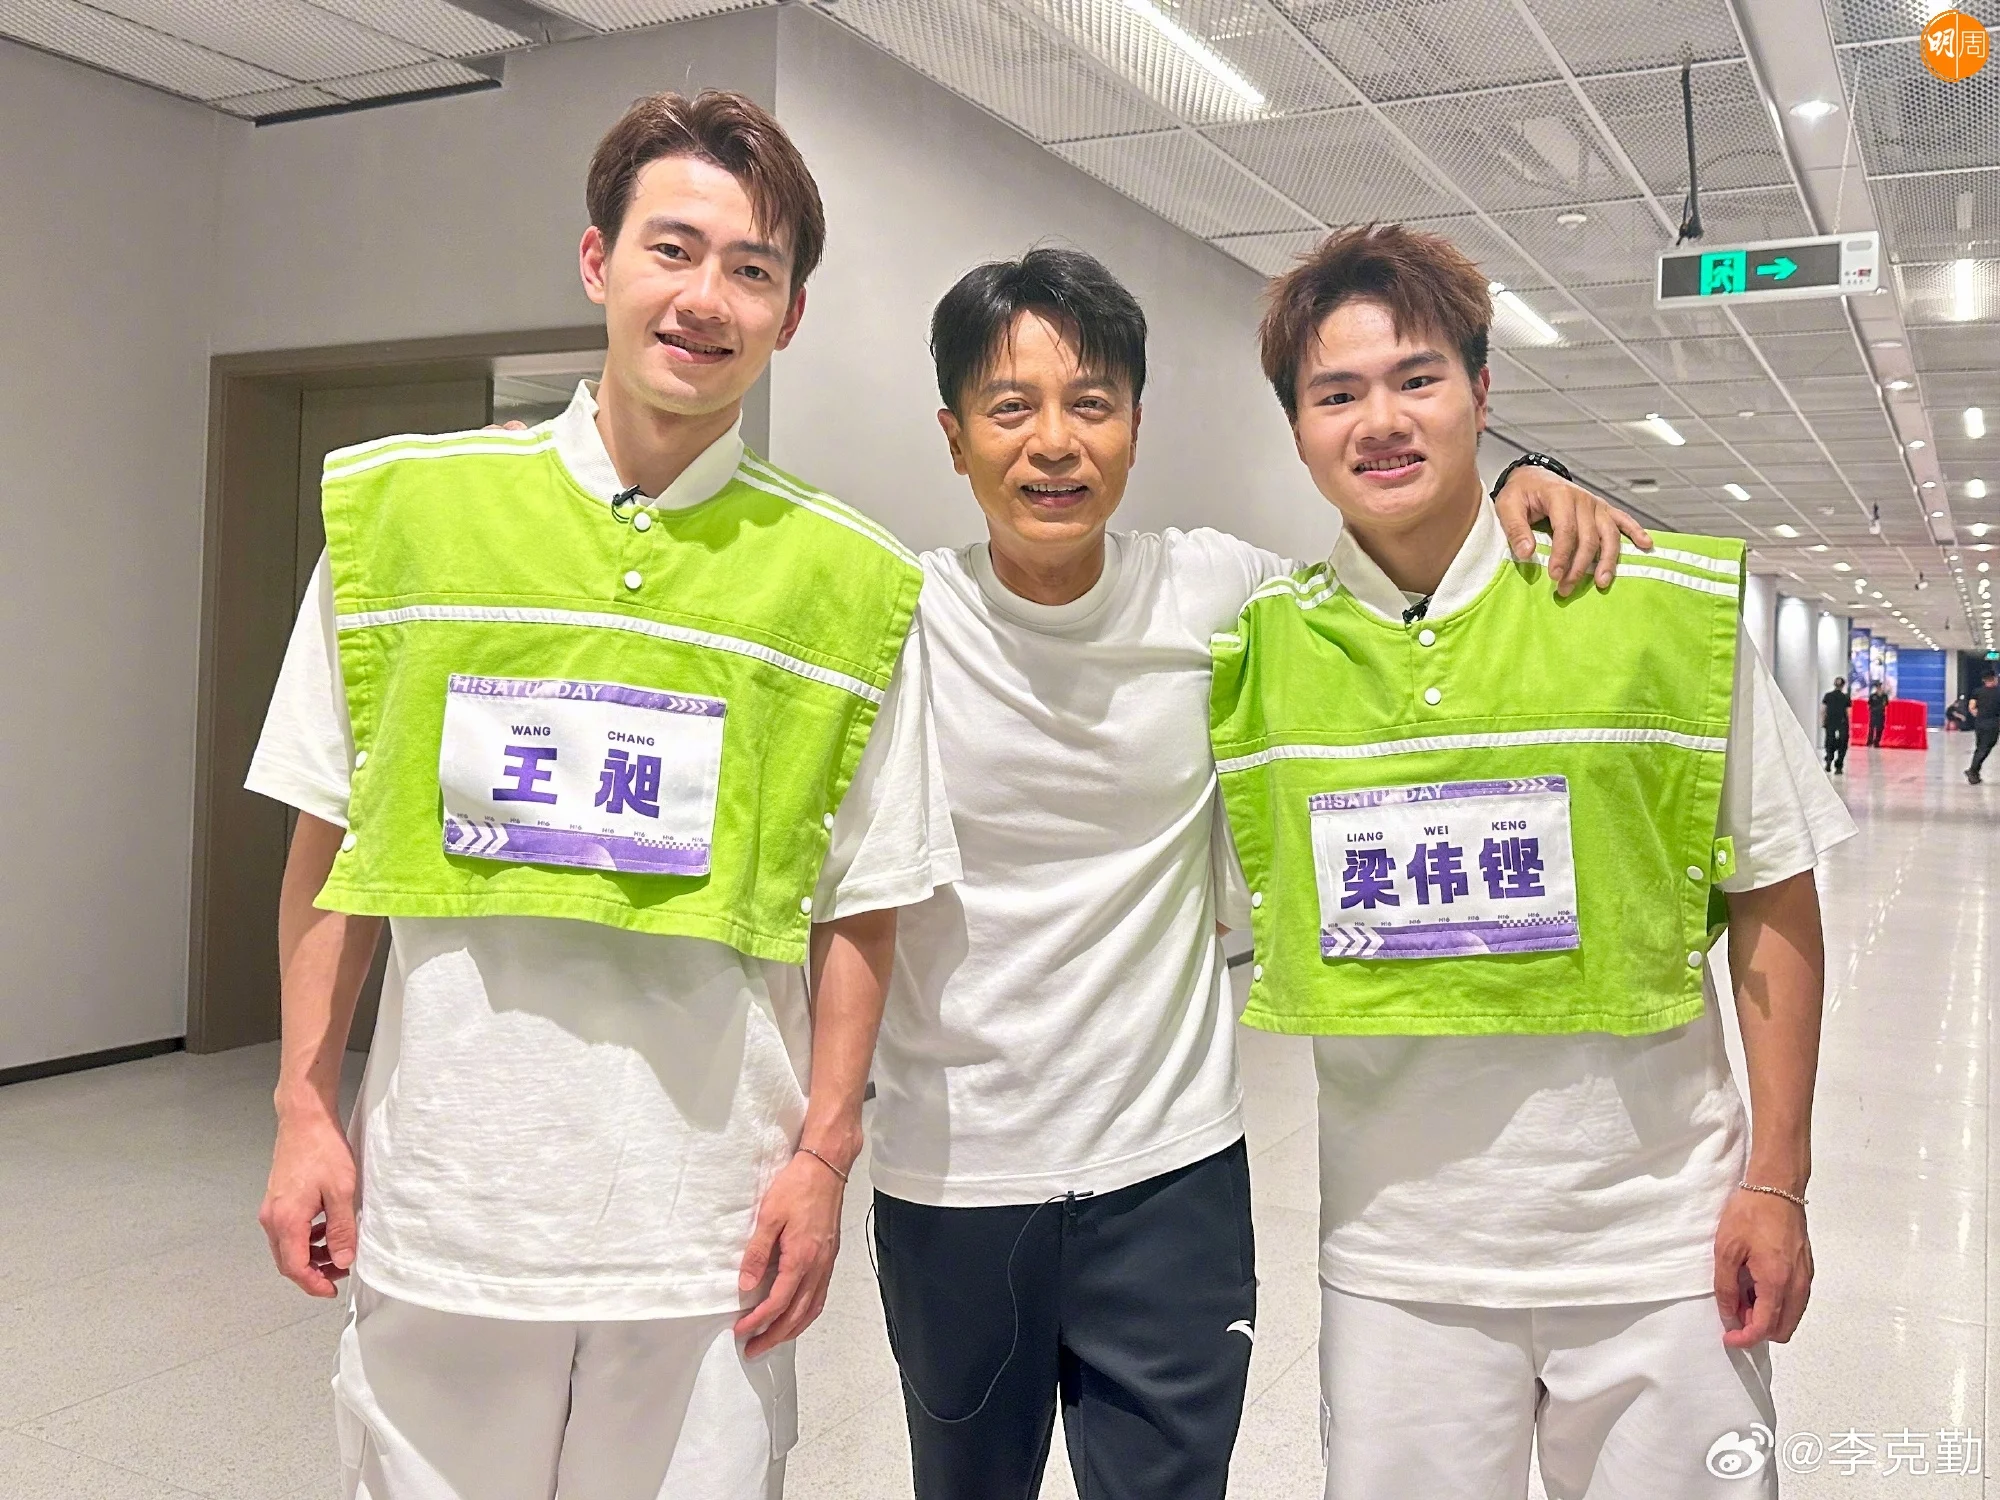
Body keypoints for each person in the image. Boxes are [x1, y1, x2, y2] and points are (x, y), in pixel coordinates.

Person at [248, 92, 959, 1500]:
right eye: (671, 249)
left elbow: (863, 901)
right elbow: (330, 838)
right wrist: (303, 1108)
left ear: (790, 315)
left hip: (707, 1227)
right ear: (598, 262)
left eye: (750, 269)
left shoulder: (850, 583)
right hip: (450, 1201)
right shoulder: (407, 519)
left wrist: (824, 1158)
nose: (705, 298)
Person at [866, 247, 1646, 1500]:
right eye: (1010, 408)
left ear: (1134, 427)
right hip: (951, 1173)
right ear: (955, 439)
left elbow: (1398, 590)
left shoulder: (1218, 596)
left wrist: (1520, 481)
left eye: (1090, 403)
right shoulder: (899, 617)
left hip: (1169, 1173)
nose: (1053, 443)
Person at [1209, 224, 1855, 1500]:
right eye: (1336, 394)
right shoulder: (1257, 648)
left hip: (1659, 1245)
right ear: (1294, 427)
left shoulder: (1653, 611)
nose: (1380, 421)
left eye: (1417, 379)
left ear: (1480, 391)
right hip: (1399, 1260)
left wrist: (1776, 1183)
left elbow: (1773, 893)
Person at [1967, 667, 2000, 784]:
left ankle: (1974, 772)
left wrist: (1980, 715)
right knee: (1985, 748)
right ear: (1995, 678)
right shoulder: (1998, 692)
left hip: (1980, 723)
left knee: (1980, 747)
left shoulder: (1977, 691)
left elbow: (1971, 707)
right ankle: (1972, 771)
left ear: (1983, 680)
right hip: (1993, 723)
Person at [1821, 676, 1851, 773]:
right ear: (1843, 685)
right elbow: (1849, 712)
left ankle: (1829, 760)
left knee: (1829, 742)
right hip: (1842, 723)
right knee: (1842, 744)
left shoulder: (1828, 696)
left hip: (1830, 722)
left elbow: (1823, 710)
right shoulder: (1846, 697)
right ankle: (1838, 767)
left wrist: (1823, 721)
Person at [1866, 678, 1889, 746]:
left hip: (1881, 714)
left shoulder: (1884, 696)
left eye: (1879, 686)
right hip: (1873, 714)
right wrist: (1871, 710)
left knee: (1880, 728)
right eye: (1877, 686)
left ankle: (1877, 742)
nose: (1878, 688)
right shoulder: (1873, 695)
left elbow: (1886, 704)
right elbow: (1869, 704)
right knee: (1871, 728)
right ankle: (1869, 741)